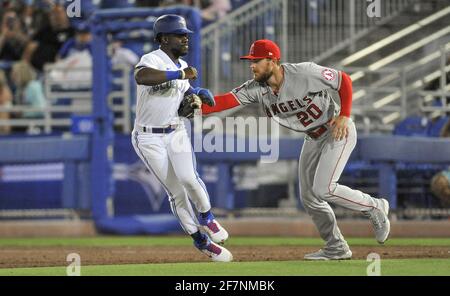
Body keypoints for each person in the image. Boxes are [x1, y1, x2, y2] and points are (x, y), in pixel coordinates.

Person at [201, 39, 391, 260]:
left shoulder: (304, 73)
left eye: (256, 61)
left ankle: (374, 206)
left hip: (336, 130)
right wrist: (196, 106)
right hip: (312, 138)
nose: (251, 65)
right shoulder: (257, 89)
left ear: (272, 60)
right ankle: (336, 247)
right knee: (309, 197)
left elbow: (343, 80)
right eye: (250, 61)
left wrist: (345, 115)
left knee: (323, 189)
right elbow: (225, 101)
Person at [132, 14, 232, 262]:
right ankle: (201, 242)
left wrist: (199, 92)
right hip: (148, 138)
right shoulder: (152, 59)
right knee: (176, 192)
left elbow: (186, 91)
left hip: (175, 130)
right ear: (164, 38)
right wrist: (181, 76)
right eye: (180, 35)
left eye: (186, 35)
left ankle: (207, 217)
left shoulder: (179, 68)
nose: (186, 39)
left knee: (189, 177)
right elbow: (141, 77)